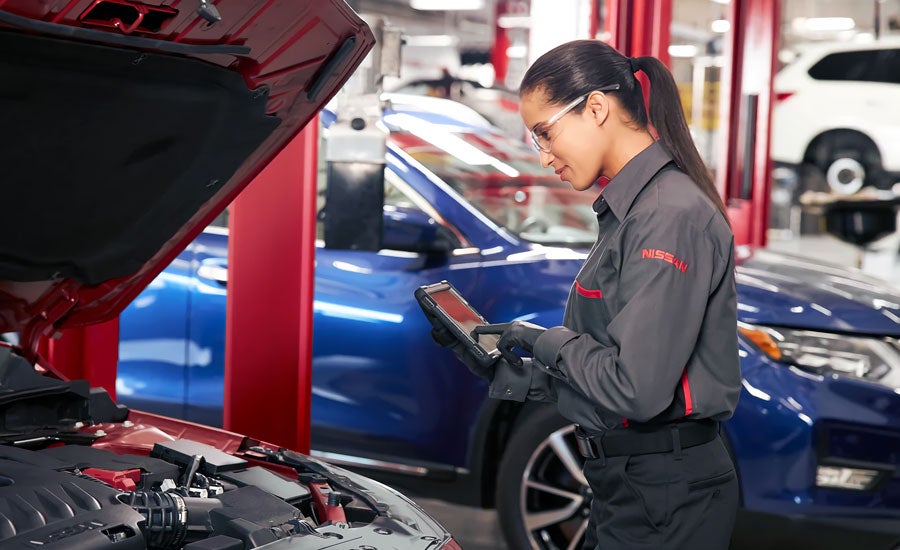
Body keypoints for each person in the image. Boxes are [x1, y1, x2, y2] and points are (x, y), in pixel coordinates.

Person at [428, 39, 742, 549]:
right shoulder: (634, 209)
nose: (544, 155)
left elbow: (636, 390)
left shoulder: (667, 217)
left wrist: (544, 340)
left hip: (665, 495)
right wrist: (512, 370)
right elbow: (613, 376)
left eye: (545, 133)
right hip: (632, 485)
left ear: (596, 108)